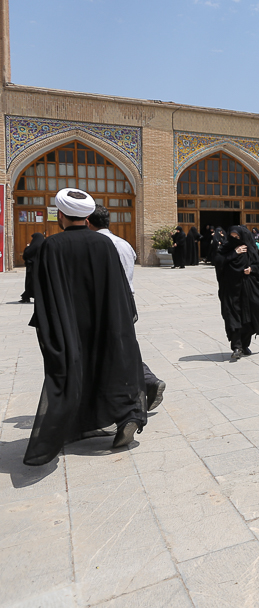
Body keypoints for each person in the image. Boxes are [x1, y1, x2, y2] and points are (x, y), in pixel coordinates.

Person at [23, 189, 147, 465]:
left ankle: (69, 426)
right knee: (110, 366)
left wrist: (49, 327)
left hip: (70, 324)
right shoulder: (104, 244)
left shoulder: (53, 245)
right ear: (87, 216)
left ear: (61, 215)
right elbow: (118, 289)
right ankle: (125, 415)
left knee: (70, 373)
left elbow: (46, 293)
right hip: (105, 320)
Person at [88, 205, 167, 412]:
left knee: (114, 349)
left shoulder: (97, 245)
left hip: (108, 303)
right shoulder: (124, 244)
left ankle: (143, 385)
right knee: (123, 345)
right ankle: (147, 381)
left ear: (87, 221)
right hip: (127, 301)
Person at [213, 226, 259, 361]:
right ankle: (236, 347)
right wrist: (234, 253)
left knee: (248, 318)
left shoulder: (250, 250)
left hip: (247, 289)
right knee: (232, 318)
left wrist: (251, 269)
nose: (234, 240)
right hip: (230, 290)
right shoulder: (226, 249)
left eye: (237, 237)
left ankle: (244, 345)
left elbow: (258, 265)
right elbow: (218, 262)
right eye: (232, 237)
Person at [20, 232, 45, 303]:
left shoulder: (33, 246)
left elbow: (26, 254)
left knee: (30, 282)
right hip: (40, 267)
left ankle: (27, 297)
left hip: (32, 268)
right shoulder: (44, 246)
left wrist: (28, 247)